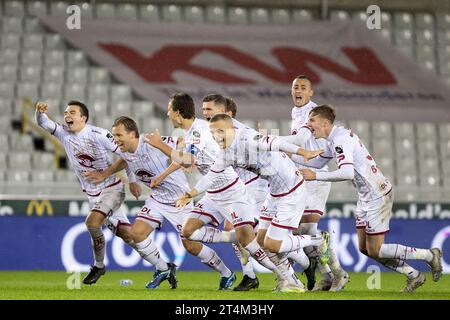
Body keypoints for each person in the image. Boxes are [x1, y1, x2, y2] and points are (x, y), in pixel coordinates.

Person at [146, 93, 307, 292]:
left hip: (232, 191)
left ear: (177, 113)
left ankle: (287, 277)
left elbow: (189, 161)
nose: (167, 113)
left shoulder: (200, 130)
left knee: (248, 241)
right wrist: (163, 176)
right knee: (188, 231)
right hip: (213, 193)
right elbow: (188, 161)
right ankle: (237, 244)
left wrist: (159, 145)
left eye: (169, 110)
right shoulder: (191, 133)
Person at [175, 113, 329, 292]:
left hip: (292, 190)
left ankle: (317, 240)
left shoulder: (247, 138)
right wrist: (190, 193)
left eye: (220, 131)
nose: (216, 136)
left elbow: (274, 142)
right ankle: (294, 279)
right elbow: (211, 177)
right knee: (261, 241)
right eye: (213, 133)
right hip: (274, 192)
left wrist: (303, 152)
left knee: (273, 244)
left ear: (232, 129)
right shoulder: (226, 154)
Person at [84, 116, 241, 290]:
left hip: (178, 200)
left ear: (132, 134)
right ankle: (163, 268)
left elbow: (181, 144)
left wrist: (181, 150)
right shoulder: (123, 149)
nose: (115, 139)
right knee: (136, 234)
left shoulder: (150, 141)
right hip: (157, 199)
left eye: (119, 135)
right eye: (114, 135)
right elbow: (124, 159)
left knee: (190, 244)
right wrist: (114, 176)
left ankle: (227, 273)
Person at [298, 104, 443, 292]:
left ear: (325, 123)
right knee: (365, 249)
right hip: (366, 196)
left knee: (376, 249)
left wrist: (315, 176)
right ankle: (414, 275)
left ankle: (429, 256)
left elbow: (347, 172)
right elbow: (316, 162)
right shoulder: (333, 139)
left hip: (377, 194)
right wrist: (283, 152)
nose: (308, 124)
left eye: (312, 120)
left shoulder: (340, 140)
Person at [35, 101, 140, 285]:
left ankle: (99, 266)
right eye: (66, 112)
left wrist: (132, 181)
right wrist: (39, 112)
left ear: (83, 117)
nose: (67, 115)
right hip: (93, 195)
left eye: (72, 112)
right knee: (127, 234)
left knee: (92, 223)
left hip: (110, 189)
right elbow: (43, 123)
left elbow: (127, 154)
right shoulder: (64, 133)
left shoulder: (98, 134)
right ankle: (162, 265)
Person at [281, 75, 348, 291]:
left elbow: (301, 142)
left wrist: (273, 144)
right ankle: (328, 275)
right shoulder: (296, 112)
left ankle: (337, 273)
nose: (298, 91)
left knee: (308, 230)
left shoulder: (313, 114)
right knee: (301, 232)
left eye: (303, 87)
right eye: (295, 87)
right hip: (303, 176)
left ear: (311, 92)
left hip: (316, 176)